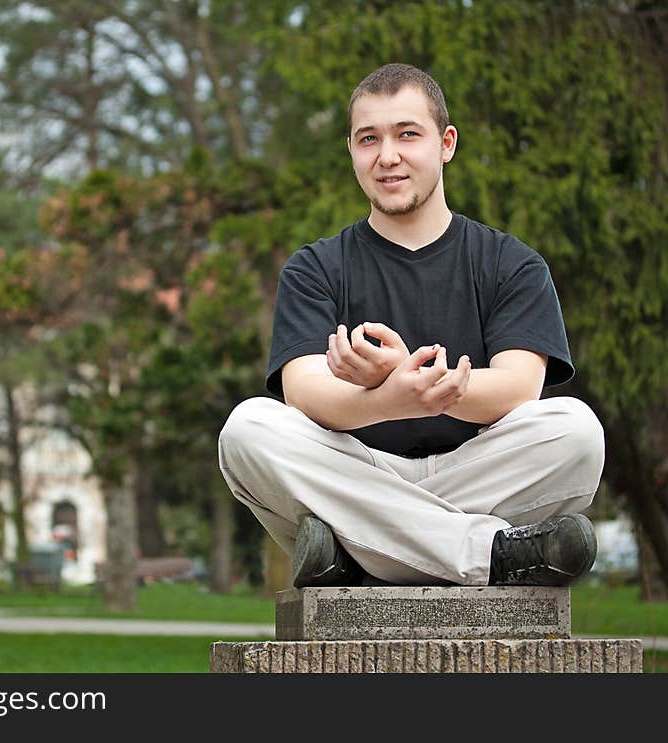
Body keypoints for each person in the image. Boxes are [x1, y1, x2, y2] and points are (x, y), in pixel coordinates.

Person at [218, 63, 604, 589]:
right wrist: (386, 400)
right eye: (368, 138)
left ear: (446, 143)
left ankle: (360, 554)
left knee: (576, 431)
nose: (387, 156)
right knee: (248, 430)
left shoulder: (511, 263)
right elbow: (302, 392)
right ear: (351, 150)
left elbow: (518, 388)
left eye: (407, 134)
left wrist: (413, 381)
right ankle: (492, 553)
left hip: (473, 472)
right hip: (356, 467)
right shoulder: (314, 268)